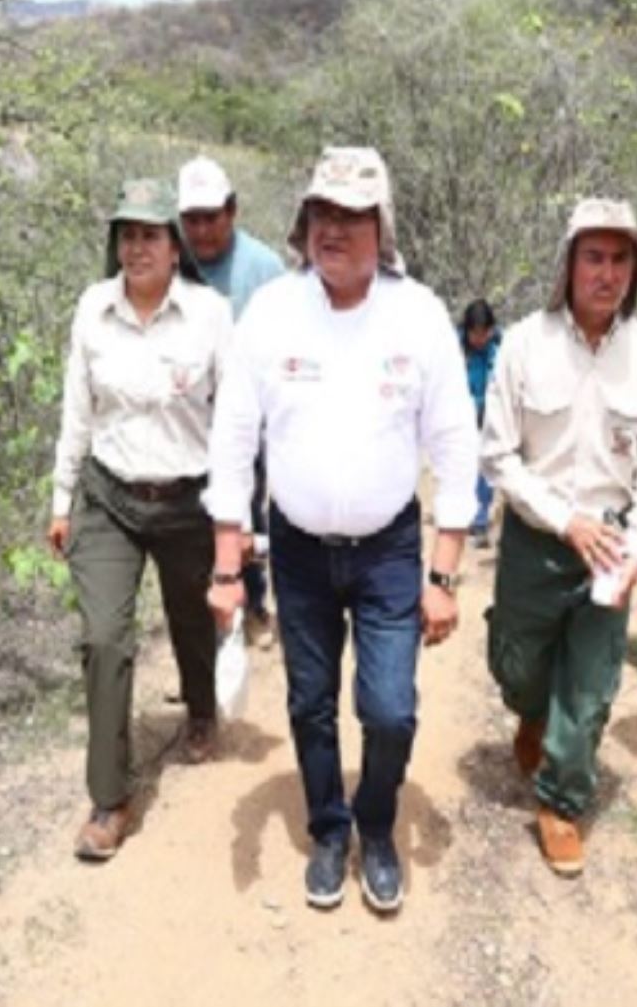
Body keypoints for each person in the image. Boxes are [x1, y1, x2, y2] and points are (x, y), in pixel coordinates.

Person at [204, 146, 477, 914]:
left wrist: (444, 574)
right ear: (303, 222)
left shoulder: (417, 314)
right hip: (294, 548)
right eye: (324, 213)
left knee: (389, 707)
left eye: (354, 216)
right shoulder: (272, 313)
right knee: (310, 701)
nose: (336, 229)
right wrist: (229, 562)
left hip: (390, 548)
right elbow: (232, 437)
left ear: (380, 227)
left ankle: (377, 825)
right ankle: (330, 828)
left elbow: (457, 445)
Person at [481, 197, 637, 877]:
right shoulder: (522, 344)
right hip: (538, 539)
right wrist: (563, 518)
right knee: (518, 666)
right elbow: (499, 455)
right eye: (593, 257)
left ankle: (562, 799)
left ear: (635, 268)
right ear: (567, 263)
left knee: (594, 684)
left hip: (612, 546)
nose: (606, 273)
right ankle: (532, 714)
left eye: (620, 258)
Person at [47, 178, 232, 861]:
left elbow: (235, 420)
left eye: (150, 234)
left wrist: (234, 521)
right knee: (103, 638)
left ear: (176, 245)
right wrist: (61, 499)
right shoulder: (93, 309)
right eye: (127, 233)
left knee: (191, 616)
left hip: (188, 499)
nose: (136, 246)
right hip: (109, 496)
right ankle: (109, 797)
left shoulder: (212, 315)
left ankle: (203, 709)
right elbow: (76, 411)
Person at [175, 156, 286, 648]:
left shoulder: (264, 269)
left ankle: (253, 604)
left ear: (232, 211)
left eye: (211, 216)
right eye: (191, 219)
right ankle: (200, 627)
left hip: (247, 418)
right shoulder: (170, 263)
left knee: (246, 512)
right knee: (188, 524)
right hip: (185, 418)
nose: (201, 230)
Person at [459, 298, 501, 546]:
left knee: (485, 468)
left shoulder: (501, 348)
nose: (479, 339)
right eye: (474, 334)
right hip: (461, 415)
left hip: (489, 415)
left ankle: (481, 520)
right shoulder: (454, 348)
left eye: (483, 333)